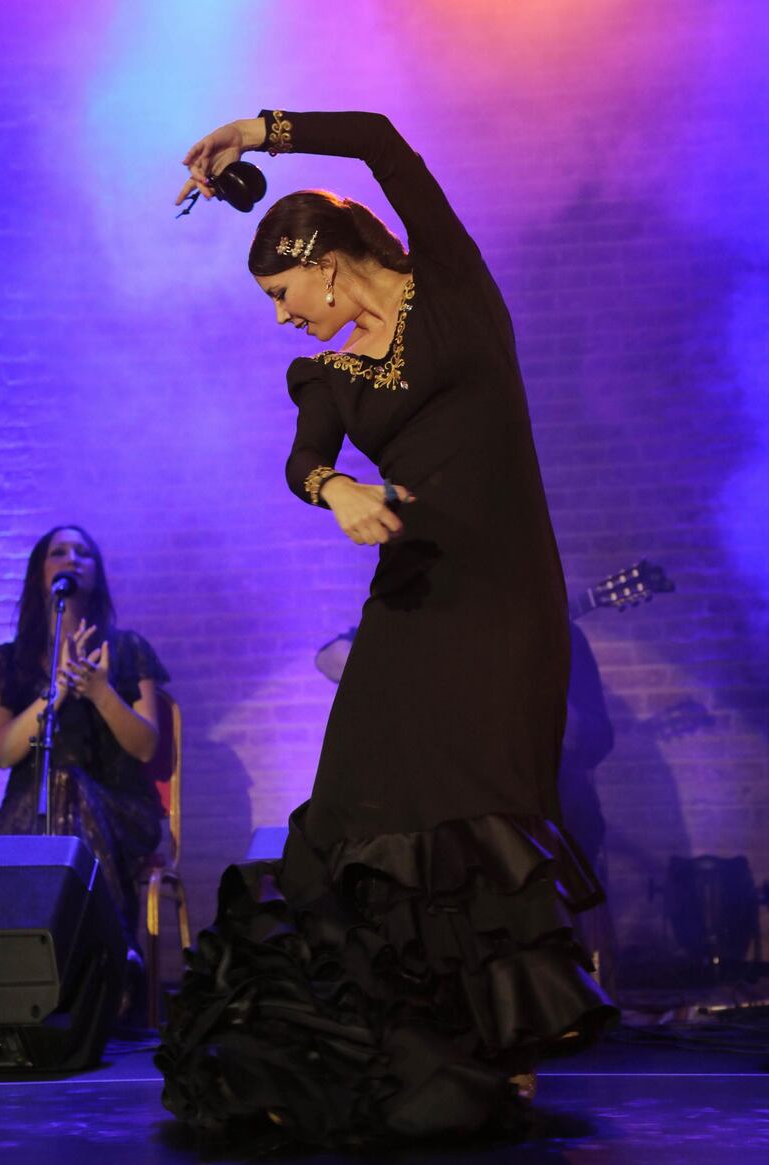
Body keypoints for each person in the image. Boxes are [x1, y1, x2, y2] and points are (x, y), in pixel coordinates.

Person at [158, 110, 617, 1148]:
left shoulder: (450, 289)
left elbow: (378, 141)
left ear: (321, 265)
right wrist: (335, 489)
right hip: (406, 612)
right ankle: (345, 1047)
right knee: (359, 816)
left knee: (484, 816)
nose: (279, 320)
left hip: (504, 608)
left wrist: (260, 132)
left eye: (280, 296)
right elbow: (297, 462)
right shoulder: (320, 374)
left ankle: (490, 1047)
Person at [0, 525, 169, 1012]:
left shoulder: (126, 650)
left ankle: (98, 959)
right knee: (57, 787)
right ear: (40, 573)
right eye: (59, 552)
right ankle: (106, 958)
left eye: (84, 553)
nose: (72, 559)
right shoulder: (8, 662)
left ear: (97, 575)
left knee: (69, 786)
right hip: (28, 815)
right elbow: (2, 752)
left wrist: (100, 691)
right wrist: (57, 690)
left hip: (119, 812)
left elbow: (146, 747)